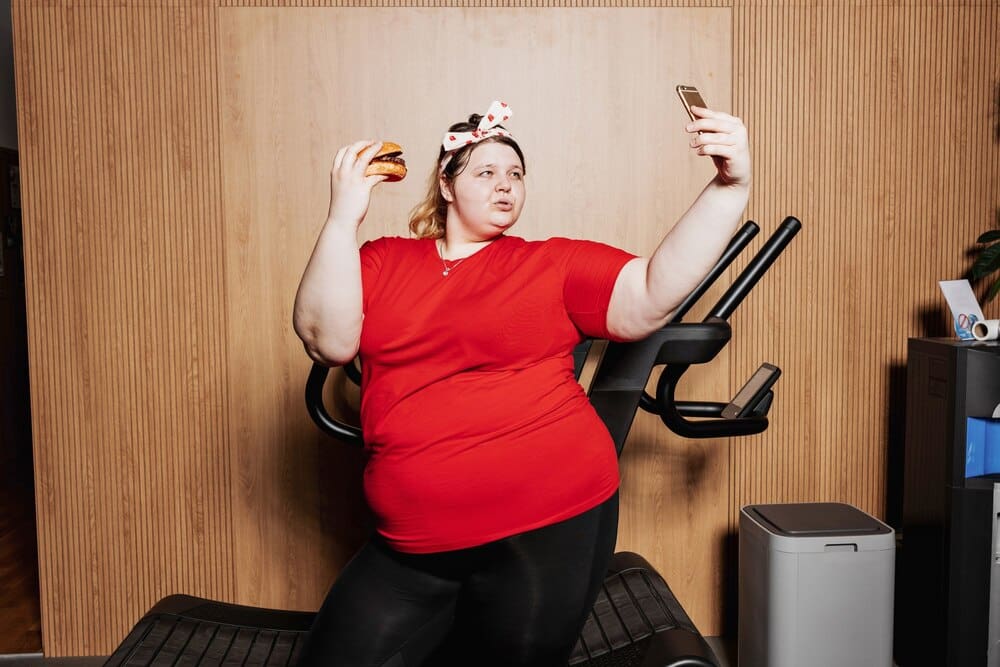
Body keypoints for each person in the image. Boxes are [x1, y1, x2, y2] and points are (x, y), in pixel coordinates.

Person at [292, 99, 750, 667]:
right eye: (486, 172)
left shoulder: (549, 264)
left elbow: (651, 294)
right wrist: (343, 216)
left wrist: (730, 188)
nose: (505, 186)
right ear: (447, 182)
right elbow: (326, 339)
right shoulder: (383, 260)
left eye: (516, 174)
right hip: (413, 542)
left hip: (546, 524)